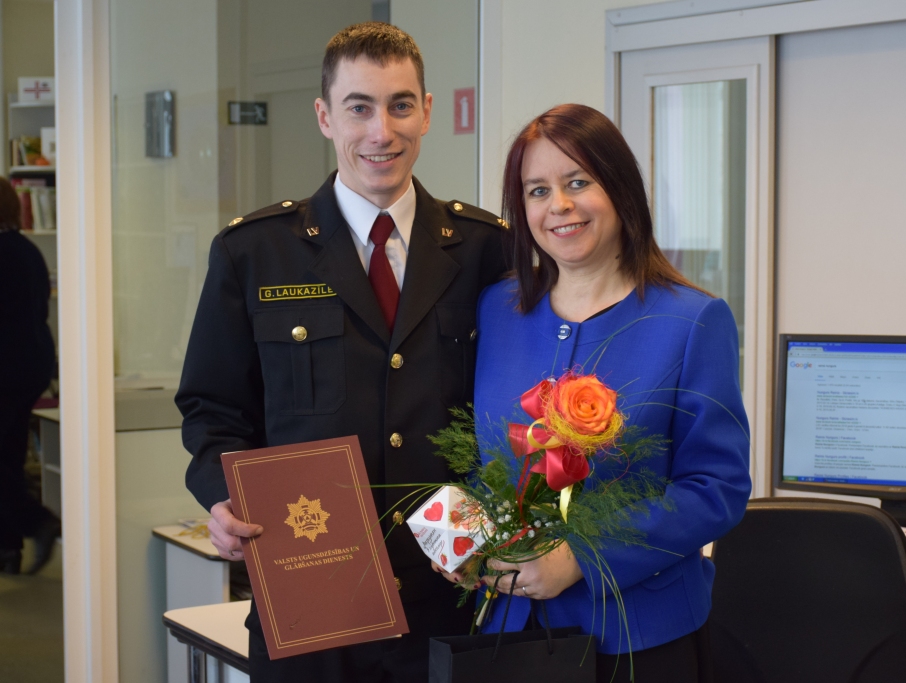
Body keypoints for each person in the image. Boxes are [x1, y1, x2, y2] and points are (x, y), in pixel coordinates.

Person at [175, 22, 507, 682]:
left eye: (400, 105)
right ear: (326, 116)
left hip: (449, 594)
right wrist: (220, 496)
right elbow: (211, 409)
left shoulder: (483, 249)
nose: (381, 132)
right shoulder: (254, 252)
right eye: (359, 107)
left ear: (428, 111)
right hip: (307, 598)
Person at [453, 104, 752, 681]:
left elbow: (717, 488)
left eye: (578, 182)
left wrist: (581, 560)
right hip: (507, 630)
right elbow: (479, 457)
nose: (558, 205)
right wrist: (468, 538)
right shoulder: (498, 309)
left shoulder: (693, 321)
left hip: (638, 636)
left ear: (620, 189)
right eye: (537, 190)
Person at [0, 177, 60, 575]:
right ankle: (10, 547)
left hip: (7, 370)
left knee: (5, 462)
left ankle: (35, 524)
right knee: (8, 457)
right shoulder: (27, 249)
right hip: (29, 367)